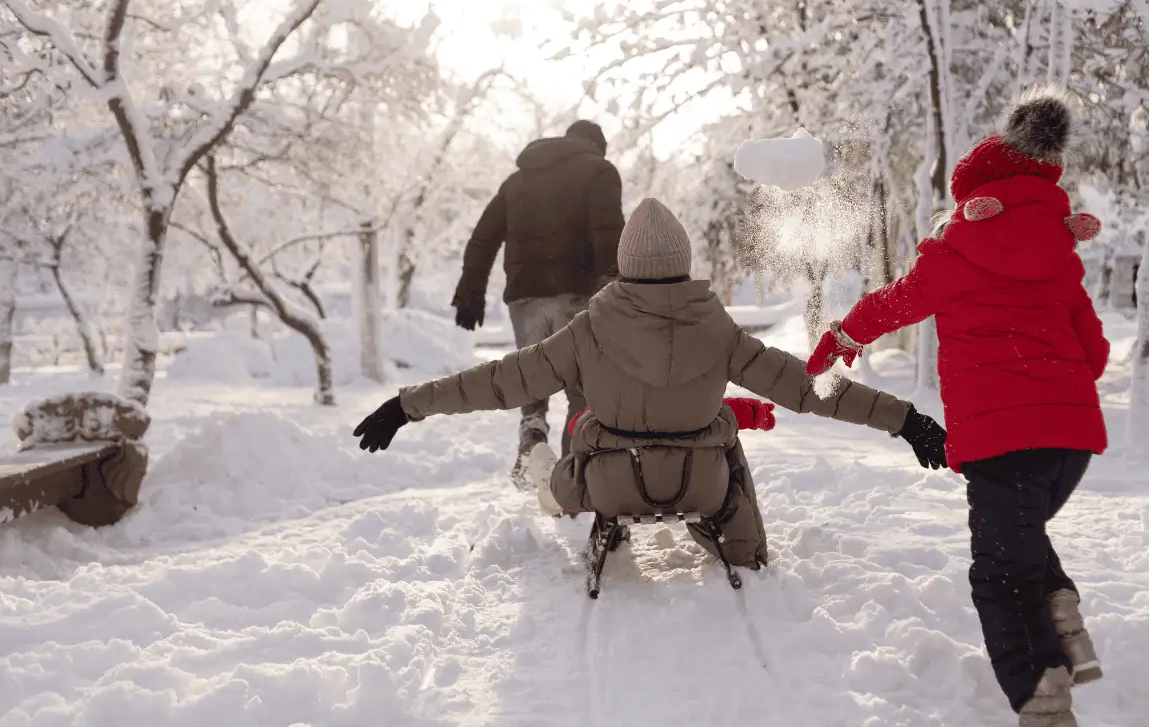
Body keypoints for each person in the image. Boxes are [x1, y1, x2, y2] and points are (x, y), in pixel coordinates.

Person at [354, 198, 949, 569]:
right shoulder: (720, 330)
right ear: (684, 262)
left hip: (609, 488)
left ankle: (539, 470)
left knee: (565, 452)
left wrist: (408, 406)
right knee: (723, 432)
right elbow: (811, 388)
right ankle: (741, 542)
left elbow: (502, 380)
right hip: (704, 486)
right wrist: (906, 419)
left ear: (627, 264)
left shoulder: (589, 329)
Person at [807, 88, 1108, 727]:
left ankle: (1041, 695)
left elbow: (894, 303)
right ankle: (1063, 616)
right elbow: (1095, 348)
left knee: (998, 572)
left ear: (975, 194)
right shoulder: (1059, 255)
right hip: (1071, 441)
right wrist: (1057, 397)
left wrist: (842, 338)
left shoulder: (958, 252)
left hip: (1003, 444)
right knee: (1019, 535)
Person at [449, 120, 624, 489]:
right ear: (596, 145)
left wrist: (471, 290)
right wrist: (616, 295)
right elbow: (608, 235)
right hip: (577, 295)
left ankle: (532, 438)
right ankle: (571, 479)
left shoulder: (517, 181)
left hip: (525, 299)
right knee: (583, 388)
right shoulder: (599, 170)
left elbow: (483, 238)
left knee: (534, 378)